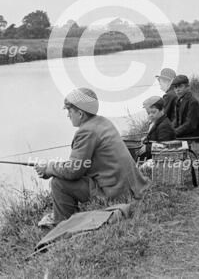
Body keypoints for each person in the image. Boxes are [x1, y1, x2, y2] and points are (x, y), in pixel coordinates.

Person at [34, 88, 150, 228]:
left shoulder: (86, 132)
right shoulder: (102, 122)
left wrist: (49, 169)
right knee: (59, 177)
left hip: (116, 192)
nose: (68, 115)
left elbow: (73, 171)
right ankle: (67, 218)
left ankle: (63, 224)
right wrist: (50, 168)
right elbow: (80, 164)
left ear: (80, 113)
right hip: (131, 187)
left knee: (58, 183)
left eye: (69, 111)